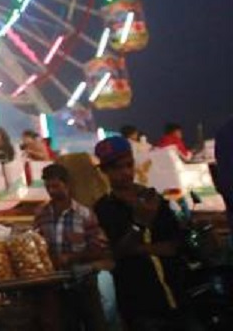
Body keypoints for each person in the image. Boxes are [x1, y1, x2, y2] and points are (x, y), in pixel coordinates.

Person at [92, 136, 187, 329]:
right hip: (139, 302)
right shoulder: (104, 208)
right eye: (117, 168)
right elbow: (117, 253)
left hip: (178, 293)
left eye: (128, 165)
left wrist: (137, 248)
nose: (125, 172)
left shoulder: (153, 197)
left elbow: (173, 245)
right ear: (105, 171)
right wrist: (139, 223)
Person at [32, 164, 109, 330]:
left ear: (67, 185)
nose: (51, 191)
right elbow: (36, 244)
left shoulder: (85, 214)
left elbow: (99, 250)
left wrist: (71, 258)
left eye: (56, 186)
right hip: (56, 287)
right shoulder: (40, 214)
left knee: (95, 325)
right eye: (48, 187)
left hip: (84, 282)